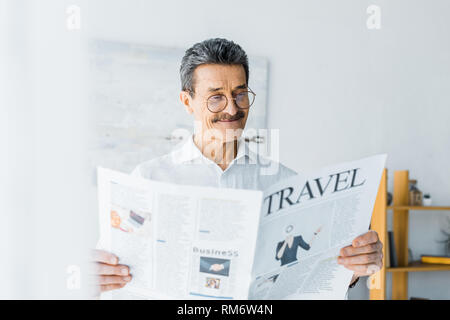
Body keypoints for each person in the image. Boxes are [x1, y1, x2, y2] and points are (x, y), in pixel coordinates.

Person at [92, 38, 383, 294]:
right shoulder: (148, 179)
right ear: (187, 101)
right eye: (216, 97)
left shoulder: (286, 183)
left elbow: (317, 273)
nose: (232, 109)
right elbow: (112, 270)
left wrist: (355, 268)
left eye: (240, 94)